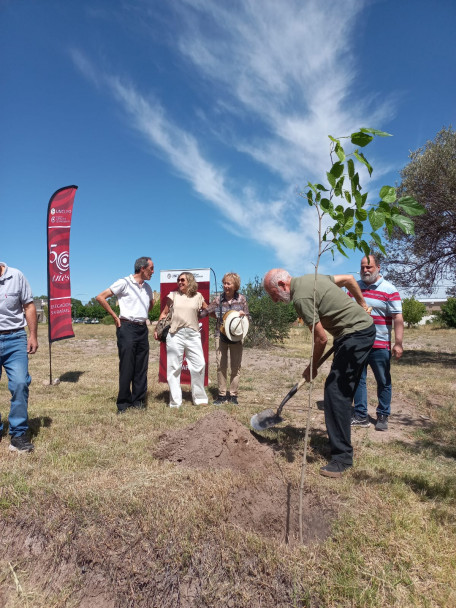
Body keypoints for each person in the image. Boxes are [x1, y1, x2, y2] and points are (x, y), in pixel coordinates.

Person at [263, 269, 375, 478]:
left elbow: (321, 339)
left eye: (273, 295)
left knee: (335, 393)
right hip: (356, 333)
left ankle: (342, 458)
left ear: (281, 285)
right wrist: (362, 304)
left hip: (355, 335)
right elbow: (349, 279)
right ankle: (340, 441)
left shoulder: (301, 298)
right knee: (339, 390)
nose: (275, 301)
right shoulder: (312, 278)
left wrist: (312, 367)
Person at [349, 254, 404, 431]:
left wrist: (398, 343)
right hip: (357, 344)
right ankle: (360, 415)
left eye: (369, 267)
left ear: (378, 268)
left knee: (383, 380)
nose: (365, 270)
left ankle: (382, 415)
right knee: (358, 379)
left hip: (380, 344)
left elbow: (397, 317)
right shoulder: (353, 287)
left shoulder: (389, 289)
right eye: (363, 267)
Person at [96, 257, 154, 414]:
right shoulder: (124, 282)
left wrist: (143, 315)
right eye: (151, 268)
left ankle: (139, 401)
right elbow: (101, 297)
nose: (153, 272)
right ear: (142, 268)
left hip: (142, 329)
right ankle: (123, 403)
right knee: (127, 365)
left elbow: (151, 304)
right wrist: (115, 316)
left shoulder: (148, 288)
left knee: (141, 366)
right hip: (127, 327)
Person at [154, 272, 209, 408]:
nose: (180, 282)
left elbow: (207, 310)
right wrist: (157, 329)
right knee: (173, 367)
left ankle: (200, 399)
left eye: (183, 280)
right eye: (178, 280)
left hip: (193, 334)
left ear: (190, 281)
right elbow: (164, 313)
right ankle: (175, 402)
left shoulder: (198, 296)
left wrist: (222, 314)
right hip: (175, 334)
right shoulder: (173, 295)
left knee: (199, 364)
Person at [0, 261, 38, 453]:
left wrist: (32, 335)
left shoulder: (16, 276)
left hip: (15, 338)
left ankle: (18, 434)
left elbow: (29, 306)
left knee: (20, 383)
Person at [200, 272, 249, 405]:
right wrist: (196, 310)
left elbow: (248, 317)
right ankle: (221, 395)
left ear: (235, 285)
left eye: (228, 283)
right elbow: (206, 311)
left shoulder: (242, 299)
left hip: (237, 336)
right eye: (224, 283)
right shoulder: (218, 299)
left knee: (235, 366)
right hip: (220, 335)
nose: (225, 285)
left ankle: (233, 395)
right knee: (221, 366)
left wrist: (243, 315)